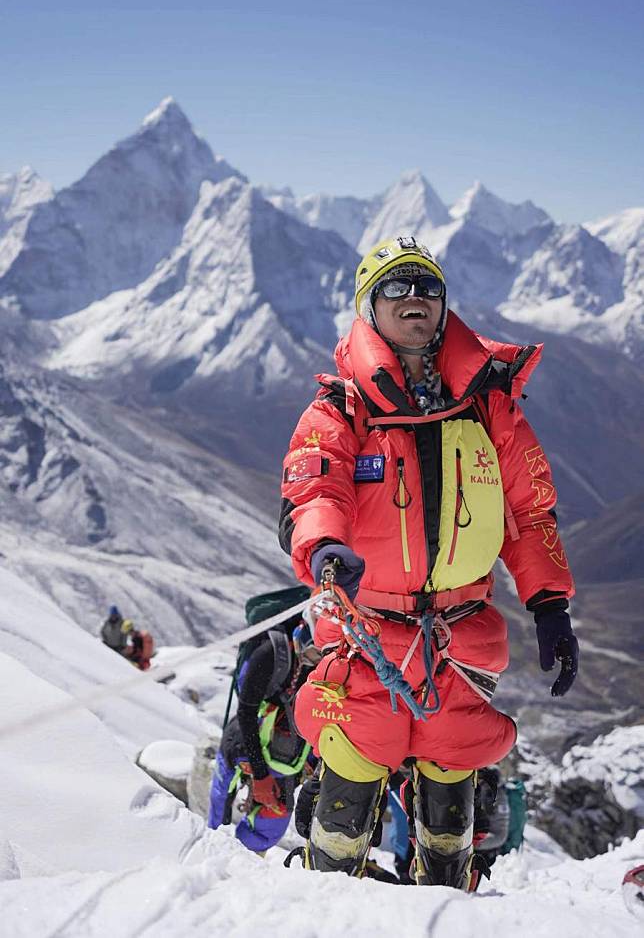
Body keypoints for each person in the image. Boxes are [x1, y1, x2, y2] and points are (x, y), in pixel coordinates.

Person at [278, 235, 579, 888]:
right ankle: (319, 912)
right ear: (369, 306)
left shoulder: (489, 404)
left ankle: (445, 907)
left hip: (459, 638)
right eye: (396, 287)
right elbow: (314, 484)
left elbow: (530, 510)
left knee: (451, 807)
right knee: (346, 799)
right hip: (365, 634)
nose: (414, 298)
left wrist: (549, 602)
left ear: (444, 306)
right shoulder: (343, 407)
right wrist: (325, 545)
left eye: (427, 287)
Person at [208, 617, 321, 854]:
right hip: (244, 740)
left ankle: (242, 859)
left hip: (291, 755)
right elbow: (246, 713)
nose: (317, 662)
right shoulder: (270, 654)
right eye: (314, 653)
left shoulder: (330, 664)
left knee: (267, 829)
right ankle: (211, 845)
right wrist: (260, 775)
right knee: (220, 803)